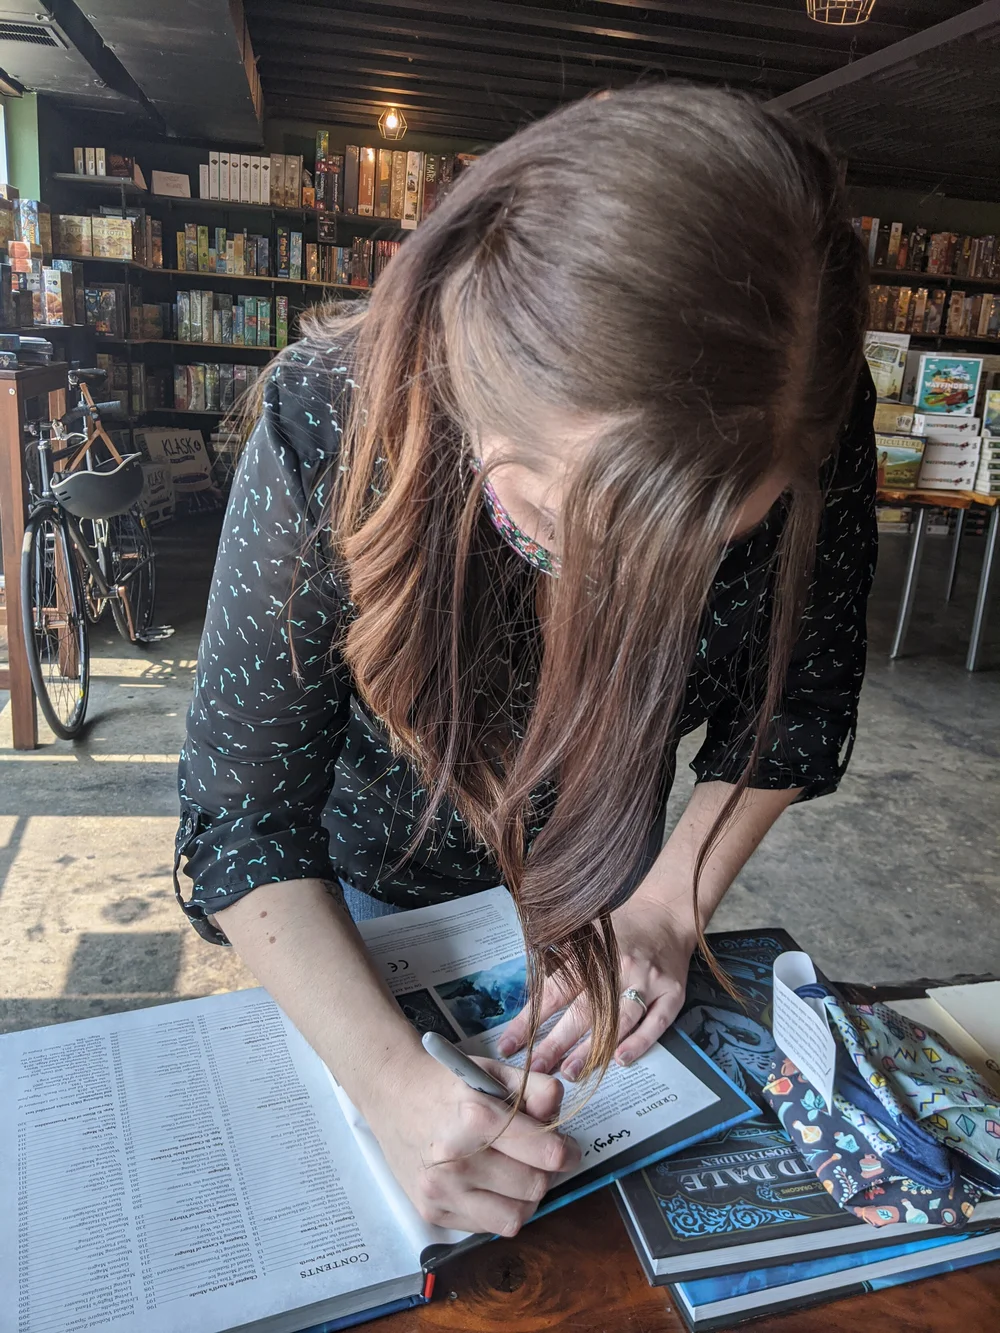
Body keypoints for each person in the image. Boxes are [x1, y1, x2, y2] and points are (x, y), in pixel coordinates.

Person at [175, 84, 876, 1240]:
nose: (614, 600)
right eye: (549, 523)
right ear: (469, 392)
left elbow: (796, 709)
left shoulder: (801, 411)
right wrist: (388, 1086)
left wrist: (664, 909)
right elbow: (242, 820)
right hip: (362, 894)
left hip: (611, 887)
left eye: (705, 549)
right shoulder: (336, 414)